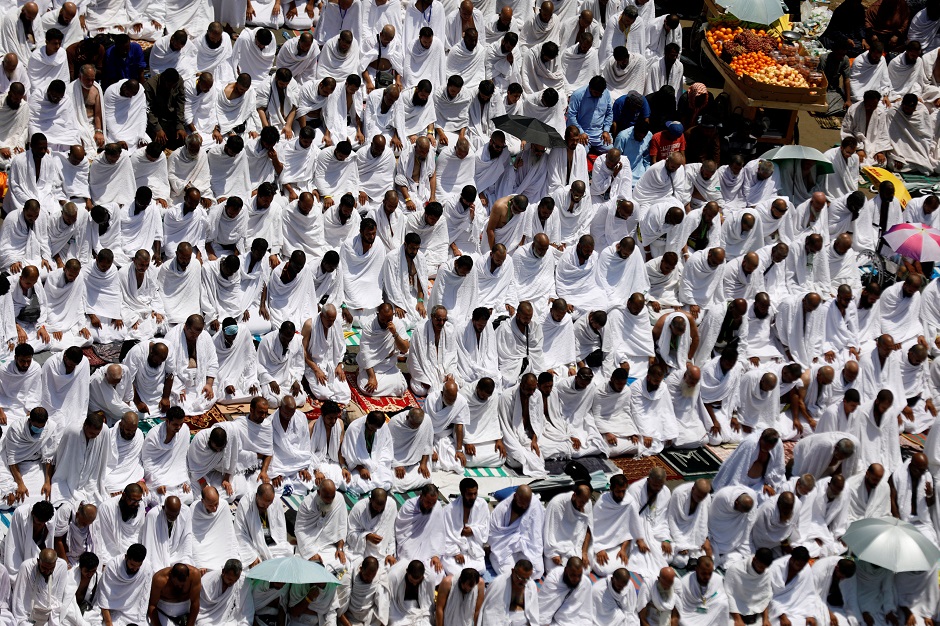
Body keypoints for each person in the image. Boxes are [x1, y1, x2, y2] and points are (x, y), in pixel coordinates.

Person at [295, 480, 348, 573]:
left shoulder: (339, 499)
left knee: (342, 566)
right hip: (308, 545)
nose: (330, 500)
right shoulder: (307, 504)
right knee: (303, 568)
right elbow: (300, 530)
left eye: (332, 497)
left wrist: (340, 548)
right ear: (319, 493)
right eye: (326, 497)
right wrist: (310, 553)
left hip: (328, 545)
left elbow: (342, 526)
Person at [234, 483, 293, 566]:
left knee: (287, 559)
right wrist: (251, 556)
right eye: (263, 505)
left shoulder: (276, 501)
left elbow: (281, 531)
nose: (266, 507)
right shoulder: (245, 503)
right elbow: (240, 534)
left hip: (274, 547)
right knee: (244, 567)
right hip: (253, 547)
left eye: (269, 505)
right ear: (257, 496)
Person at [11, 549, 69, 626]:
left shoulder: (61, 566)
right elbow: (19, 599)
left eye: (51, 568)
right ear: (38, 561)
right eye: (44, 568)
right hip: (29, 617)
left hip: (51, 616)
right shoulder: (26, 567)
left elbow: (58, 597)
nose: (48, 572)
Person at [191, 486, 237, 571]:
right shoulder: (194, 508)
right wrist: (199, 562)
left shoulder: (223, 505)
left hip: (222, 550)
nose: (215, 508)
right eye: (210, 505)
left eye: (216, 504)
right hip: (203, 552)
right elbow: (193, 537)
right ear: (203, 501)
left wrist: (233, 556)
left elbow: (229, 533)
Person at [723, 549, 774, 626]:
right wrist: (738, 619)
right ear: (754, 560)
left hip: (757, 611)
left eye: (765, 568)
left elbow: (765, 596)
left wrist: (766, 619)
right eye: (760, 567)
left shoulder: (766, 572)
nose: (762, 570)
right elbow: (729, 595)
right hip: (734, 611)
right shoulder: (735, 569)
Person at [539, 557, 595, 624]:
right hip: (555, 621)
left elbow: (585, 611)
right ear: (566, 570)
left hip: (573, 619)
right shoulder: (554, 579)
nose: (576, 579)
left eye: (579, 575)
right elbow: (544, 609)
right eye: (573, 575)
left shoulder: (585, 582)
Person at [387, 560, 435, 626]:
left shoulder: (429, 578)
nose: (414, 584)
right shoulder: (394, 576)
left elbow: (428, 604)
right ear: (407, 571)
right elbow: (390, 602)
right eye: (411, 581)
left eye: (417, 582)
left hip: (419, 610)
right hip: (398, 609)